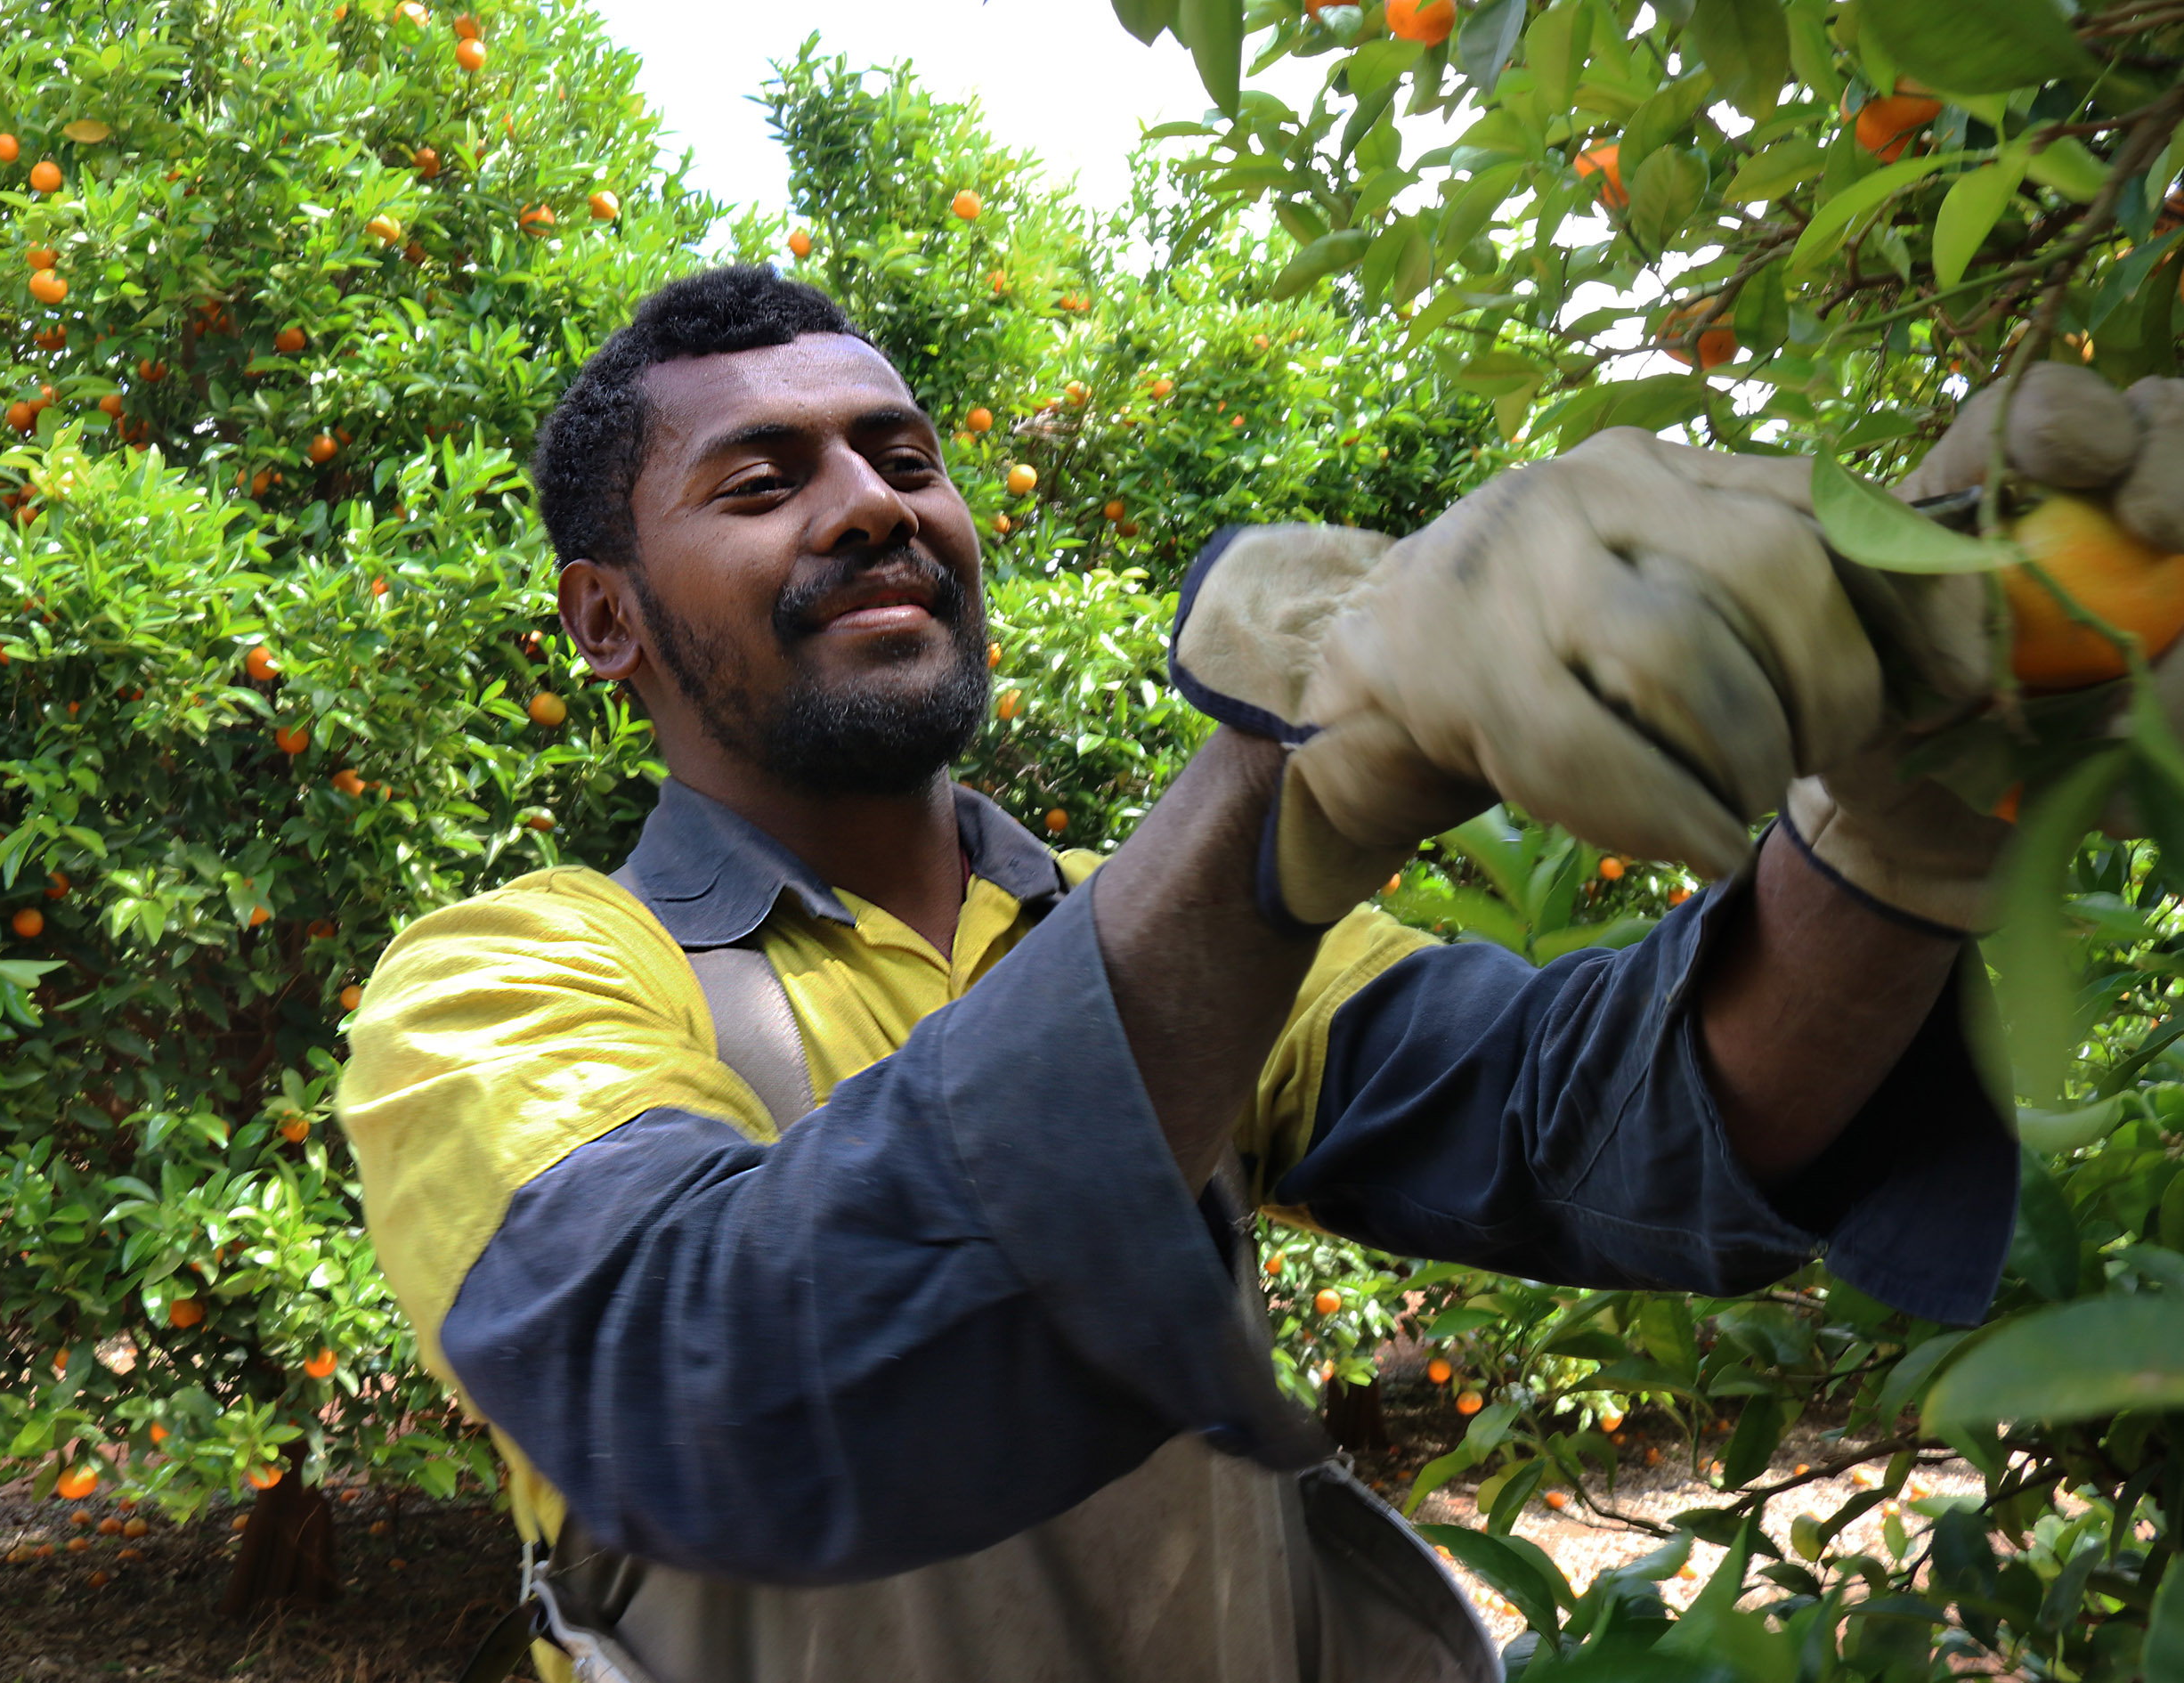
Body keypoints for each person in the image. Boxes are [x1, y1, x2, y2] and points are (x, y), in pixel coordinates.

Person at [337, 264, 2180, 1683]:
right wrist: (1299, 772)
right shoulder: (506, 982)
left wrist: (1906, 820)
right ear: (605, 618)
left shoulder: (1141, 928)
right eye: (761, 479)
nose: (869, 505)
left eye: (902, 458)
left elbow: (1629, 1130)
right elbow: (713, 1371)